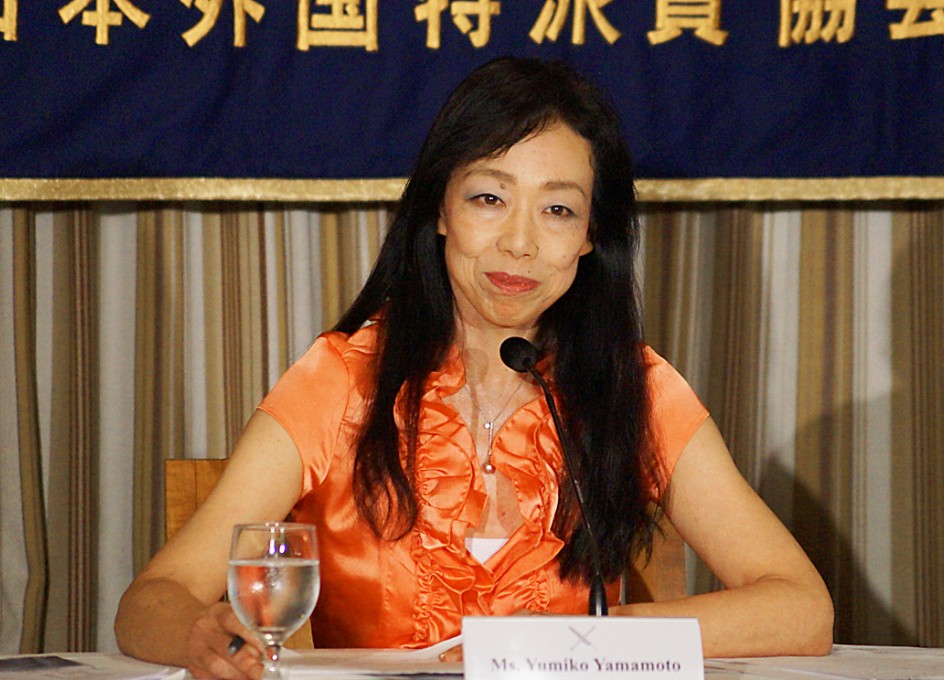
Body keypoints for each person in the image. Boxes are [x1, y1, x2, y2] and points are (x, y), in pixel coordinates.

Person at [115, 56, 833, 679]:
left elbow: (801, 609)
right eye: (490, 198)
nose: (519, 243)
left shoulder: (632, 387)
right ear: (439, 211)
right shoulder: (343, 379)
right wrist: (199, 634)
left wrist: (581, 643)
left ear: (589, 238)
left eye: (557, 210)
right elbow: (153, 599)